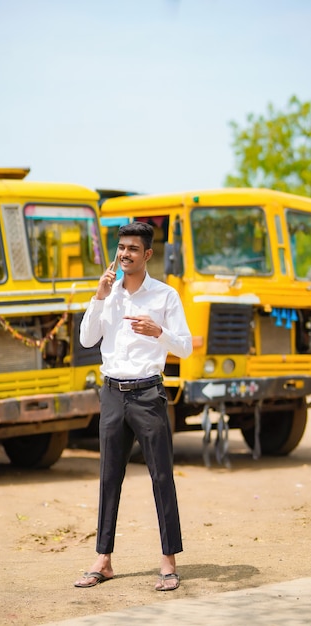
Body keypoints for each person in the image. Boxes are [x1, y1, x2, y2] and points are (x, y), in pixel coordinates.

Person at [74, 221, 192, 591]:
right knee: (109, 477)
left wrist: (160, 332)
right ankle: (103, 559)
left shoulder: (165, 296)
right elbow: (87, 338)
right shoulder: (108, 293)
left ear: (148, 255)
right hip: (111, 394)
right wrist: (98, 297)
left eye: (133, 249)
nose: (125, 254)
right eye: (121, 247)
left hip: (147, 395)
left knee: (161, 478)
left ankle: (168, 562)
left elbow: (186, 347)